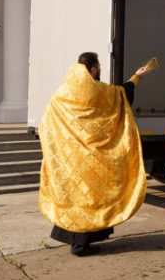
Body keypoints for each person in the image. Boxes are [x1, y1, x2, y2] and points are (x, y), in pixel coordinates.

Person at [39, 52, 151, 257]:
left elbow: (45, 122)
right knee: (91, 199)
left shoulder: (63, 92)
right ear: (92, 69)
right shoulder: (99, 91)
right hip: (92, 161)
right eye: (98, 67)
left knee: (75, 199)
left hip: (70, 159)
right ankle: (81, 245)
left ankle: (76, 242)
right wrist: (137, 77)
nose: (99, 70)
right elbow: (122, 94)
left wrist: (57, 149)